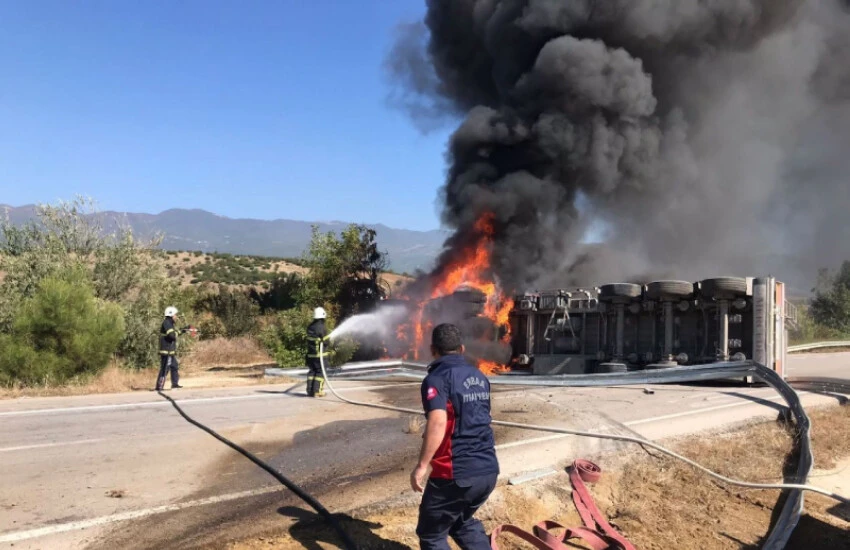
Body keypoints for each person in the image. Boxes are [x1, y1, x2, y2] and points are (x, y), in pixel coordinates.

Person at [411, 323, 500, 550]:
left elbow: (438, 422)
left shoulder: (437, 379)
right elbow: (484, 415)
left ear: (433, 350)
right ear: (461, 349)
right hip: (487, 471)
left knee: (431, 533)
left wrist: (421, 466)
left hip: (456, 474)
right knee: (461, 522)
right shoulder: (479, 376)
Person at [156, 306, 185, 391]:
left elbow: (174, 333)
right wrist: (176, 333)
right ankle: (159, 387)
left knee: (174, 366)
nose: (176, 316)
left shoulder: (170, 323)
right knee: (165, 368)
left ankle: (175, 384)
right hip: (166, 351)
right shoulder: (167, 323)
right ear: (171, 315)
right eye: (175, 315)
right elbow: (172, 336)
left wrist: (183, 330)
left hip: (170, 351)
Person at [305, 306, 332, 397]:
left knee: (312, 372)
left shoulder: (310, 326)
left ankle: (310, 391)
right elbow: (326, 341)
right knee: (320, 372)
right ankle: (317, 391)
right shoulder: (321, 327)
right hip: (319, 355)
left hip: (310, 355)